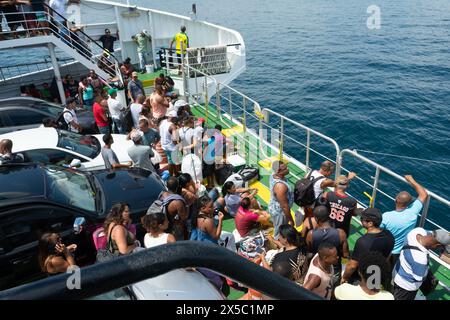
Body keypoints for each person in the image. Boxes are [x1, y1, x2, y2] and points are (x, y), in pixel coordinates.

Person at [381, 175, 428, 266]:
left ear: (395, 200)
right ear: (409, 203)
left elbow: (376, 230)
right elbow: (423, 194)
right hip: (402, 251)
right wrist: (412, 180)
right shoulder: (413, 212)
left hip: (388, 250)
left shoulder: (386, 216)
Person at [341, 208, 395, 284]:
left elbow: (352, 265)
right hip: (376, 276)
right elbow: (388, 256)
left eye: (362, 218)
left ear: (370, 223)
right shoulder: (389, 235)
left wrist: (344, 278)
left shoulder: (363, 242)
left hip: (361, 278)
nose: (360, 220)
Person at [393, 228, 449, 300]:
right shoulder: (421, 258)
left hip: (398, 269)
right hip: (406, 287)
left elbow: (431, 234)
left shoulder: (416, 231)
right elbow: (419, 278)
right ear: (437, 245)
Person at [306, 205, 349, 286]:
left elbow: (309, 251)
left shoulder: (310, 234)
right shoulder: (341, 233)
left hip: (318, 267)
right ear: (329, 215)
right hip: (334, 268)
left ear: (316, 218)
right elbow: (345, 255)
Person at [268, 161, 294, 239]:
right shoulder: (280, 186)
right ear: (278, 171)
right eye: (285, 168)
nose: (288, 169)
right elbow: (284, 206)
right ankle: (277, 246)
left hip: (274, 207)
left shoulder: (273, 175)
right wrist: (291, 220)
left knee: (277, 226)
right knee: (279, 231)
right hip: (280, 213)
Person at [160, 176, 189, 240]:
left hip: (163, 226)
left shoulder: (162, 194)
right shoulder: (177, 202)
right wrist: (187, 206)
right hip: (172, 229)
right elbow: (184, 218)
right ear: (177, 187)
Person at [160, 110, 181, 176]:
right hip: (171, 148)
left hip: (164, 146)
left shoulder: (162, 122)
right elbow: (175, 140)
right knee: (175, 162)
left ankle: (172, 175)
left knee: (170, 161)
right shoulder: (172, 126)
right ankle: (175, 175)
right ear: (174, 118)